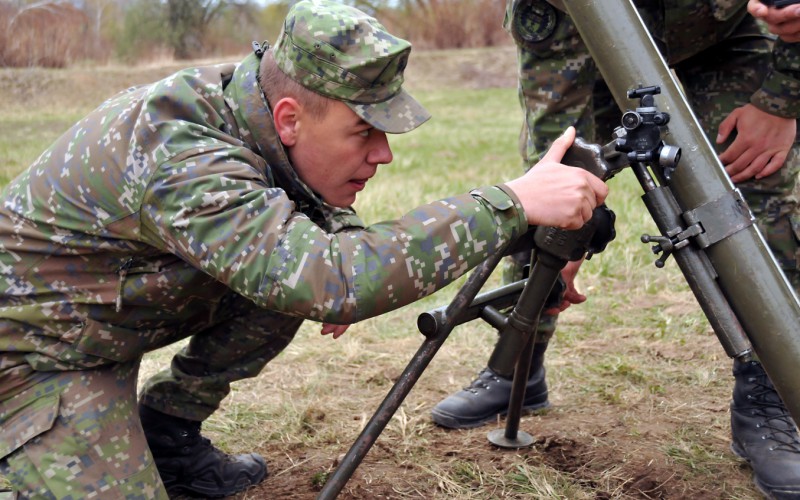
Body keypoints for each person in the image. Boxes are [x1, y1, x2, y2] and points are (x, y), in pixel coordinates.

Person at [0, 1, 608, 498]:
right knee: (302, 276)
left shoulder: (248, 106)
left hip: (107, 318)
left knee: (290, 280)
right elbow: (327, 278)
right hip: (34, 357)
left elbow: (309, 219)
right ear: (290, 118)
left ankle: (170, 434)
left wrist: (344, 239)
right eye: (363, 132)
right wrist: (508, 204)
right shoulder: (182, 154)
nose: (383, 154)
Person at [431, 1, 800, 498]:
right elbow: (555, 161)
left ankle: (768, 395)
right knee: (546, 193)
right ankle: (518, 365)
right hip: (582, 38)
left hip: (723, 34)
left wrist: (780, 101)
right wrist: (561, 227)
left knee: (758, 186)